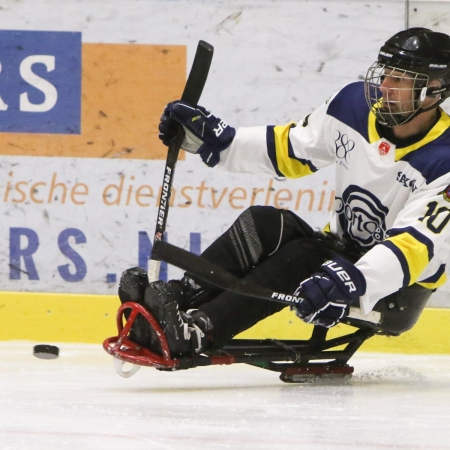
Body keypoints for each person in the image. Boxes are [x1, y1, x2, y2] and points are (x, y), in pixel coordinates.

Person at [119, 28, 450, 358]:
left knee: (303, 258)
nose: (385, 88)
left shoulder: (444, 158)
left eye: (401, 80)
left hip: (393, 290)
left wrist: (356, 280)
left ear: (434, 90)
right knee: (264, 222)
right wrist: (218, 142)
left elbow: (414, 247)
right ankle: (176, 299)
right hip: (341, 253)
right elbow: (289, 149)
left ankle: (198, 333)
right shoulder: (351, 105)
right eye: (386, 75)